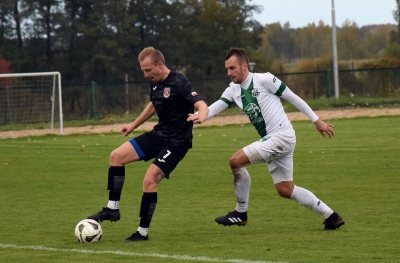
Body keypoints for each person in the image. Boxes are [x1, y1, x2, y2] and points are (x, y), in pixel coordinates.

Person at [188, 47, 344, 230]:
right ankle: (331, 216)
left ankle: (240, 212)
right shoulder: (232, 90)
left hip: (281, 136)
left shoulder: (265, 79)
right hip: (275, 140)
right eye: (227, 69)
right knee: (285, 189)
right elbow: (211, 110)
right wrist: (188, 120)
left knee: (236, 161)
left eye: (232, 68)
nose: (229, 73)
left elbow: (293, 97)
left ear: (244, 66)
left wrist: (316, 120)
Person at [88, 47, 209, 241]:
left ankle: (142, 232)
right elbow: (154, 104)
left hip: (177, 143)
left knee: (149, 179)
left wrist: (200, 117)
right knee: (116, 156)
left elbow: (201, 104)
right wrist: (134, 125)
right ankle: (112, 209)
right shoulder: (155, 83)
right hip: (158, 135)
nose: (146, 75)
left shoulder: (179, 82)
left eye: (148, 70)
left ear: (159, 64)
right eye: (143, 71)